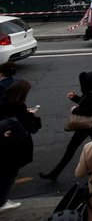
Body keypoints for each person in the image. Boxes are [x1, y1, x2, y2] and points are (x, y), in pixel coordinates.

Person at [40, 69, 92, 181]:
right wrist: (75, 98)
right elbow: (88, 104)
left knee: (71, 149)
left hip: (87, 125)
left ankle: (55, 173)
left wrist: (75, 110)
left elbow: (91, 110)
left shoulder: (91, 94)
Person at [0, 80, 41, 212]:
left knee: (6, 171)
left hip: (4, 141)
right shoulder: (19, 106)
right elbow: (30, 127)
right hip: (15, 145)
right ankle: (2, 202)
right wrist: (31, 114)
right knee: (9, 174)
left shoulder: (4, 101)